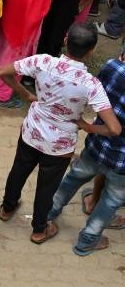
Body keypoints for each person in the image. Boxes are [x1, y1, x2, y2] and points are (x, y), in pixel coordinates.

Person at [0, 24, 120, 243]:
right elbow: (114, 128)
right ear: (91, 51)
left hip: (32, 131)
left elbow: (3, 72)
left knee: (19, 170)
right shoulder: (90, 84)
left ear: (65, 40)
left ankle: (7, 208)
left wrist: (26, 94)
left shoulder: (43, 61)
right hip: (60, 144)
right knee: (47, 187)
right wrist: (89, 127)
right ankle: (38, 230)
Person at [44, 49, 125, 255]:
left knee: (72, 179)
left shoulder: (112, 67)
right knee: (111, 201)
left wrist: (88, 126)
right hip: (121, 162)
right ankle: (87, 240)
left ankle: (47, 214)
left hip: (96, 146)